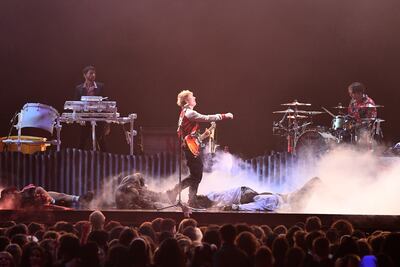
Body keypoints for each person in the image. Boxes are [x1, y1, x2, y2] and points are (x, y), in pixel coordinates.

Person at [167, 90, 233, 207]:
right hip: (190, 149)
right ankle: (177, 193)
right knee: (196, 175)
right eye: (192, 97)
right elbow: (206, 117)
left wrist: (203, 136)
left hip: (190, 147)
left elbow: (190, 138)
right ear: (187, 100)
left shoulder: (184, 113)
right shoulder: (189, 113)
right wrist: (224, 116)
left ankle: (190, 200)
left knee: (195, 175)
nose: (195, 98)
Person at [74, 65, 109, 151]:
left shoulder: (101, 86)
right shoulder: (79, 88)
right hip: (85, 117)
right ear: (85, 75)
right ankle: (78, 160)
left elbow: (106, 102)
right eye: (91, 73)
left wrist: (107, 121)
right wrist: (79, 117)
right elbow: (76, 103)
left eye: (94, 73)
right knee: (82, 140)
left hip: (98, 116)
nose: (93, 75)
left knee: (101, 141)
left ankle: (106, 161)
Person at [0, 184, 93, 210]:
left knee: (60, 195)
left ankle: (79, 199)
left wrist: (50, 199)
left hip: (44, 202)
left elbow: (39, 189)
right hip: (42, 207)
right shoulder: (10, 205)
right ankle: (77, 199)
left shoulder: (25, 192)